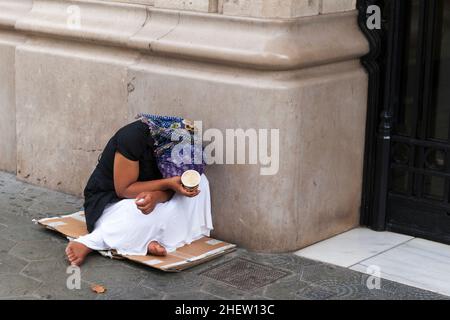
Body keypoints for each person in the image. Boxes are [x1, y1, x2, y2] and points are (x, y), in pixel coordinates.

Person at [65, 120, 213, 266]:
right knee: (135, 211)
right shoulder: (132, 138)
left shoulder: (177, 155)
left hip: (152, 198)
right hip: (112, 202)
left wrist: (157, 196)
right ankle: (92, 242)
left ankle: (143, 240)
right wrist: (167, 183)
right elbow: (124, 190)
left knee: (202, 183)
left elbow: (171, 190)